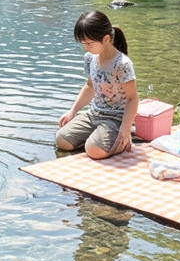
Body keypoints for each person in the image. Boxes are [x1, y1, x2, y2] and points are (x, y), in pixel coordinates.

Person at [56, 11, 139, 160]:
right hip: (94, 114)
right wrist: (72, 111)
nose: (85, 47)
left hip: (116, 120)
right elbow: (89, 86)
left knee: (94, 150)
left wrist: (125, 130)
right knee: (62, 139)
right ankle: (98, 138)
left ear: (106, 39)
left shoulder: (122, 64)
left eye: (89, 43)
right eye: (83, 43)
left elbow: (133, 99)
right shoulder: (90, 58)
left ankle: (114, 140)